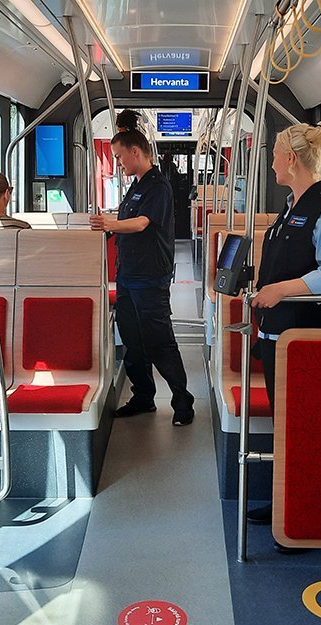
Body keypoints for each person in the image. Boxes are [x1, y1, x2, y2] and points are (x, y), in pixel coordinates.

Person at [246, 122, 321, 544]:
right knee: (286, 427)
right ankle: (286, 504)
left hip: (306, 341)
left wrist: (280, 290)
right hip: (277, 339)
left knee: (305, 429)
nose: (271, 162)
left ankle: (306, 515)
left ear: (291, 159)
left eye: (274, 153)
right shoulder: (289, 208)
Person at [89, 127, 195, 426]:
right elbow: (127, 221)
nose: (119, 163)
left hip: (150, 277)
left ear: (135, 152)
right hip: (128, 275)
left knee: (159, 342)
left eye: (120, 157)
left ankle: (182, 401)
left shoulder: (157, 187)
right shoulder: (135, 186)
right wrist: (110, 224)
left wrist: (111, 222)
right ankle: (144, 397)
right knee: (133, 343)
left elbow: (140, 224)